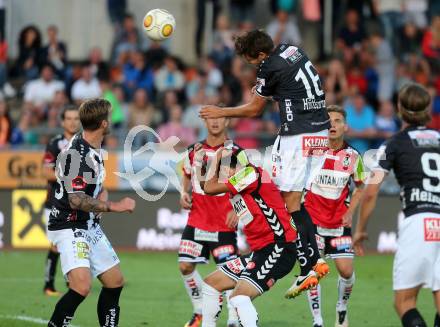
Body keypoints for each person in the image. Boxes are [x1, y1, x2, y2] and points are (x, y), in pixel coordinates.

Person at [200, 29, 330, 296]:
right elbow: (289, 87)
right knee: (296, 200)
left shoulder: (268, 66)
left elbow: (254, 109)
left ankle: (307, 266)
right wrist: (266, 88)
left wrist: (221, 111)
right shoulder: (291, 50)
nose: (252, 64)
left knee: (288, 202)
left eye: (251, 60)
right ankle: (313, 261)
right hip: (321, 131)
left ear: (259, 54)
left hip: (298, 134)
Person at [353, 83, 440, 327]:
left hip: (419, 222)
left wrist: (360, 230)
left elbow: (370, 192)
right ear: (428, 109)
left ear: (400, 109)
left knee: (404, 302)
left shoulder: (393, 144)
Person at [46, 98, 136, 327]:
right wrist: (115, 206)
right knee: (81, 287)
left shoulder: (91, 146)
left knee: (115, 281)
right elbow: (76, 199)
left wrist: (101, 195)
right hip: (68, 224)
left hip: (87, 224)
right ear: (104, 124)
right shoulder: (77, 154)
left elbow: (90, 188)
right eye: (110, 115)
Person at [199, 147, 297, 327]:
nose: (223, 174)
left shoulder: (250, 173)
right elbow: (205, 185)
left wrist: (218, 155)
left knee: (239, 297)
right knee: (211, 283)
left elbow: (209, 188)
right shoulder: (241, 185)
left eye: (224, 169)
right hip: (261, 252)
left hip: (279, 248)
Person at [290, 105, 365, 327]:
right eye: (328, 120)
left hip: (338, 223)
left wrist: (350, 212)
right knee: (314, 271)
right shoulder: (311, 152)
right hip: (311, 221)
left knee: (347, 271)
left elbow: (361, 187)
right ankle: (317, 320)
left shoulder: (353, 156)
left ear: (345, 127)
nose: (332, 124)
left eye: (337, 120)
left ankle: (341, 307)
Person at [179, 115, 240, 327]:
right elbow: (187, 174)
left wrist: (238, 210)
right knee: (185, 266)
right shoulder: (193, 150)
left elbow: (247, 185)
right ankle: (200, 312)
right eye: (211, 118)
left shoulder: (236, 153)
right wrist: (183, 192)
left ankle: (234, 319)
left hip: (223, 222)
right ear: (205, 122)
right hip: (197, 220)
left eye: (220, 118)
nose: (215, 122)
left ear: (227, 122)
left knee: (229, 273)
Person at [42, 106, 81, 296]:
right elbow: (45, 171)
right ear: (62, 122)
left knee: (72, 244)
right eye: (69, 118)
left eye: (76, 118)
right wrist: (68, 175)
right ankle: (48, 284)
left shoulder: (84, 144)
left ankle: (72, 284)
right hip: (54, 204)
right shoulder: (55, 144)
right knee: (57, 246)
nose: (73, 122)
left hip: (76, 204)